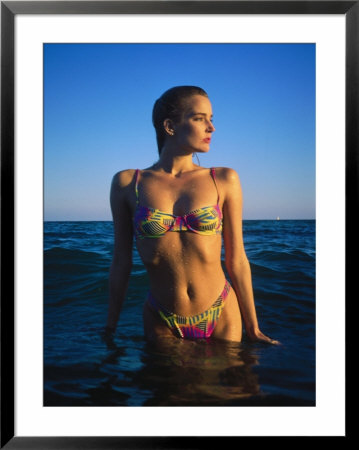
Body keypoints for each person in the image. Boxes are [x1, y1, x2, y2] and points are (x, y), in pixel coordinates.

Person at [105, 86, 279, 344]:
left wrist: (253, 328)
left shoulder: (223, 179)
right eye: (199, 118)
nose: (211, 127)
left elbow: (237, 259)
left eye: (211, 118)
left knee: (231, 385)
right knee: (168, 385)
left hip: (221, 311)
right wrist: (110, 328)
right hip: (160, 316)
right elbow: (121, 262)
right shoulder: (128, 183)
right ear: (170, 126)